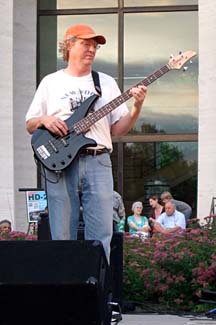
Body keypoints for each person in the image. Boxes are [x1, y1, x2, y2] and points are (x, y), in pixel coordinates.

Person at [25, 24, 147, 262]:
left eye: (95, 46)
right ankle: (64, 289)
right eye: (86, 44)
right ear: (69, 45)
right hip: (60, 163)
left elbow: (118, 130)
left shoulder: (105, 82)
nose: (92, 49)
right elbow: (30, 124)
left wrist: (137, 106)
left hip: (98, 160)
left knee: (102, 233)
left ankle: (99, 292)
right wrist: (45, 120)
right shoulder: (51, 82)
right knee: (61, 232)